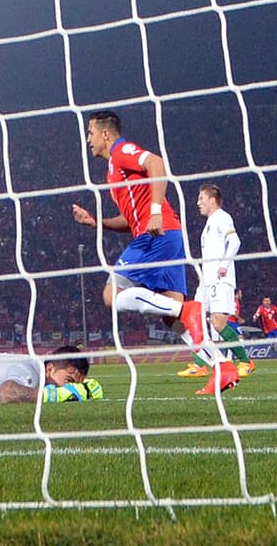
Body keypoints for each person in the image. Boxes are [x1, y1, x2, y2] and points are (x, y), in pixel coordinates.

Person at [71, 111, 238, 395]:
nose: (88, 140)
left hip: (156, 236)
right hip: (166, 235)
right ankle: (222, 366)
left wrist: (157, 211)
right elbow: (130, 219)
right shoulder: (113, 171)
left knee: (111, 295)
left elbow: (156, 163)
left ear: (106, 134)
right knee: (171, 319)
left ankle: (188, 308)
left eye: (90, 133)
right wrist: (96, 222)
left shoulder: (122, 150)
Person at [177, 185, 252, 378]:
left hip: (220, 280)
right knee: (194, 317)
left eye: (201, 198)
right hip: (207, 281)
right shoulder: (210, 222)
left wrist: (224, 266)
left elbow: (235, 241)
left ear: (212, 200)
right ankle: (200, 364)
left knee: (218, 323)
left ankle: (245, 361)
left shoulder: (222, 217)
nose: (198, 203)